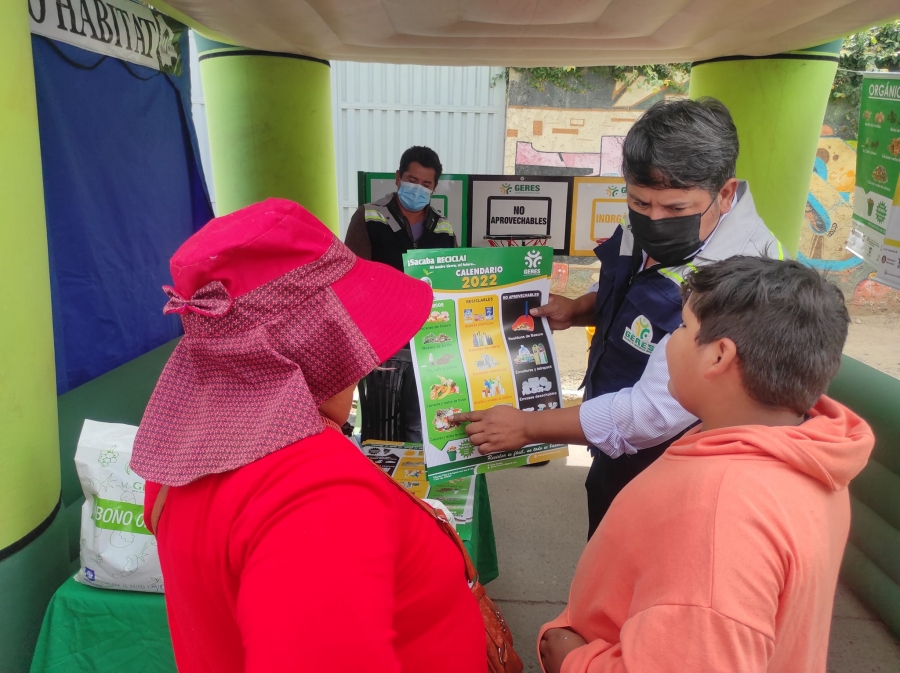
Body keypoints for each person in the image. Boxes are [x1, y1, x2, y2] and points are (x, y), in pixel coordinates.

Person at [130, 199, 486, 673]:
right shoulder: (318, 493)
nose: (363, 361)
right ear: (311, 345)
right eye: (346, 332)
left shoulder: (182, 455)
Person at [453, 98, 784, 536]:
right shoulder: (656, 214)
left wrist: (528, 426)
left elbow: (648, 414)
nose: (653, 220)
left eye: (674, 210)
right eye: (639, 203)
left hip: (676, 469)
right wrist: (579, 309)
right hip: (611, 442)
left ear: (724, 194)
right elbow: (631, 282)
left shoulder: (743, 281)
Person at [537, 257, 873, 673]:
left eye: (681, 328)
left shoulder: (718, 516)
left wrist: (575, 661)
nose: (668, 341)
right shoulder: (805, 449)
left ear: (718, 357)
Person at [345, 145, 456, 442]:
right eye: (412, 179)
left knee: (420, 423)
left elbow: (450, 286)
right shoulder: (369, 217)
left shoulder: (443, 228)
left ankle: (415, 485)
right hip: (382, 339)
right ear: (398, 178)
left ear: (434, 188)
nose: (417, 188)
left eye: (425, 184)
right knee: (380, 421)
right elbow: (352, 278)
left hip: (428, 340)